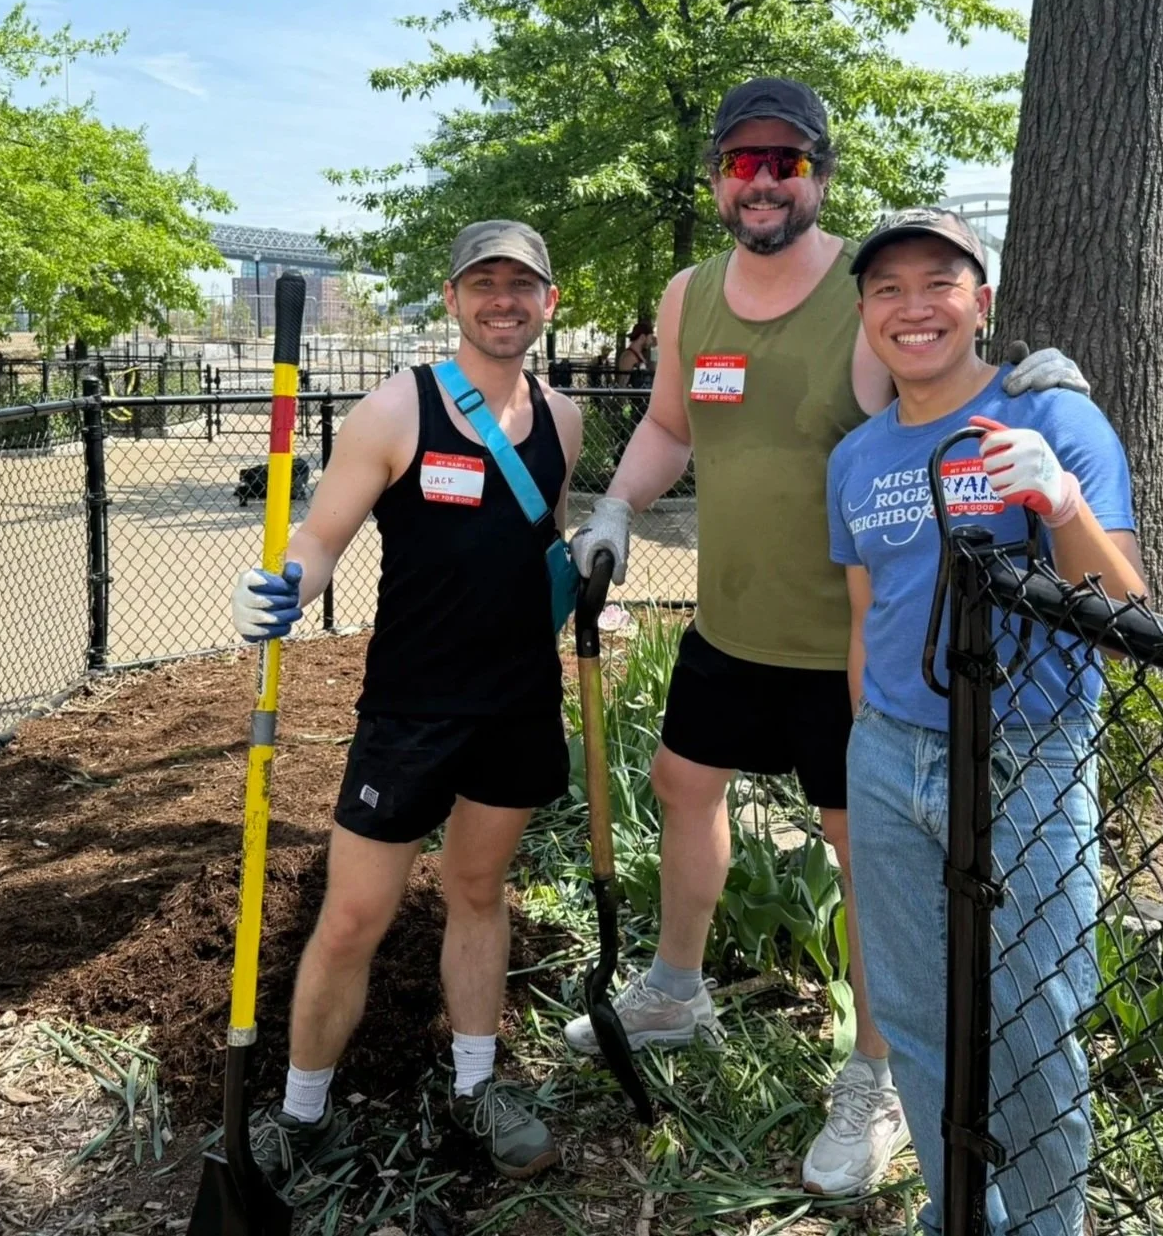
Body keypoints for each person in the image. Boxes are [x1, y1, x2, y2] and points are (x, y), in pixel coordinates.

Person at [562, 76, 1092, 1197]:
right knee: (680, 782)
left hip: (848, 646)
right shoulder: (687, 297)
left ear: (819, 176)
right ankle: (675, 988)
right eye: (741, 162)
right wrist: (615, 505)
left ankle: (875, 1075)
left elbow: (937, 370)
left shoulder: (862, 294)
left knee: (865, 856)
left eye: (785, 162)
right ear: (716, 178)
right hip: (728, 621)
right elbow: (669, 424)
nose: (762, 181)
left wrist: (1034, 391)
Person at [227, 219, 584, 1184]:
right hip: (411, 710)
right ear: (454, 297)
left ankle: (475, 1084)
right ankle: (301, 1111)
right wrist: (282, 584)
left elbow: (541, 539)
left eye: (522, 284)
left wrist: (589, 557)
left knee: (478, 891)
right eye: (484, 283)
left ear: (549, 301)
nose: (503, 300)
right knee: (352, 916)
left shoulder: (563, 418)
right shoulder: (396, 408)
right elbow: (320, 538)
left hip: (518, 703)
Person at [827, 207, 1147, 1233]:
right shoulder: (856, 458)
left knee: (1031, 1025)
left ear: (982, 302)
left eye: (939, 283)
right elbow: (867, 616)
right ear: (865, 314)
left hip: (1027, 756)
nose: (912, 307)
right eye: (887, 289)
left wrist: (1060, 502)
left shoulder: (1049, 419)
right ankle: (961, 1213)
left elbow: (1127, 612)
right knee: (915, 1014)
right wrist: (865, 744)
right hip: (888, 757)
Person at [615, 321, 656, 386]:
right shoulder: (629, 356)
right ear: (642, 337)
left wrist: (654, 348)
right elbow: (623, 383)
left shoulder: (639, 354)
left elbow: (654, 370)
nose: (651, 341)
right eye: (650, 338)